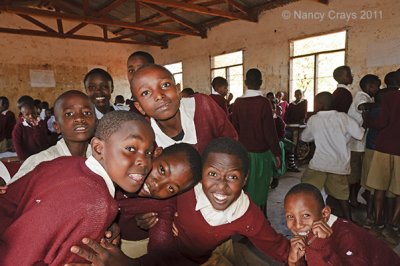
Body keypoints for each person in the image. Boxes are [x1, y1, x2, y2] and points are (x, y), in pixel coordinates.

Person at [68, 137, 291, 266]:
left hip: (203, 256)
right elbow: (161, 245)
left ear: (245, 180)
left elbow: (276, 245)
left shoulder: (246, 214)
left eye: (232, 177)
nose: (221, 186)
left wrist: (300, 256)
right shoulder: (182, 189)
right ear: (200, 176)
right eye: (212, 174)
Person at [0, 111, 156, 265]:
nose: (144, 161)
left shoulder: (63, 163)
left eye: (149, 152)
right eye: (130, 149)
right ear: (98, 148)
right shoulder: (99, 203)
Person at [117, 143, 202, 258]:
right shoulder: (126, 160)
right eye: (162, 170)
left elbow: (161, 250)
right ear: (156, 153)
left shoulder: (163, 207)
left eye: (171, 188)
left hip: (130, 242)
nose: (157, 185)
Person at [130, 64, 238, 154]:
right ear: (140, 107)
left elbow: (232, 145)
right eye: (146, 93)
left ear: (178, 90)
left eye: (165, 85)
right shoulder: (146, 137)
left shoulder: (203, 106)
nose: (159, 95)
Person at [285, 183, 400, 266]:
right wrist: (293, 261)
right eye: (290, 216)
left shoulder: (347, 237)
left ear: (325, 213)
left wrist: (319, 248)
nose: (298, 225)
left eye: (306, 215)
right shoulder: (306, 235)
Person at [300, 92, 365, 221]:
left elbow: (304, 137)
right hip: (338, 165)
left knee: (307, 190)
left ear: (320, 104)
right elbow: (359, 135)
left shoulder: (314, 119)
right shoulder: (343, 118)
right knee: (342, 196)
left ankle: (308, 218)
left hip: (319, 164)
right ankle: (349, 220)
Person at [9, 90, 96, 184]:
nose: (79, 118)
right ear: (57, 126)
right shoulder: (39, 163)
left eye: (86, 113)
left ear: (96, 122)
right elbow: (12, 194)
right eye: (69, 114)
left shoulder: (102, 157)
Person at [231, 68, 281, 215]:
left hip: (243, 154)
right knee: (261, 186)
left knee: (245, 186)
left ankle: (246, 215)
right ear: (261, 82)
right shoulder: (264, 102)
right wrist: (277, 152)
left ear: (246, 83)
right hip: (261, 154)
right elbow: (270, 131)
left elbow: (235, 129)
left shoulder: (238, 103)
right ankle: (262, 216)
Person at [364, 69, 400, 245]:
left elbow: (382, 123)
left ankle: (377, 224)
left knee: (379, 187)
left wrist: (368, 120)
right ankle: (392, 225)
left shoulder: (389, 98)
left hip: (384, 146)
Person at [347, 74, 380, 208]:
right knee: (354, 175)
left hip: (359, 143)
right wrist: (381, 103)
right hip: (355, 144)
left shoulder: (366, 97)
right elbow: (362, 107)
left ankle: (354, 198)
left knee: (358, 174)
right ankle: (351, 200)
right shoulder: (361, 96)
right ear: (369, 86)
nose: (377, 90)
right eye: (377, 87)